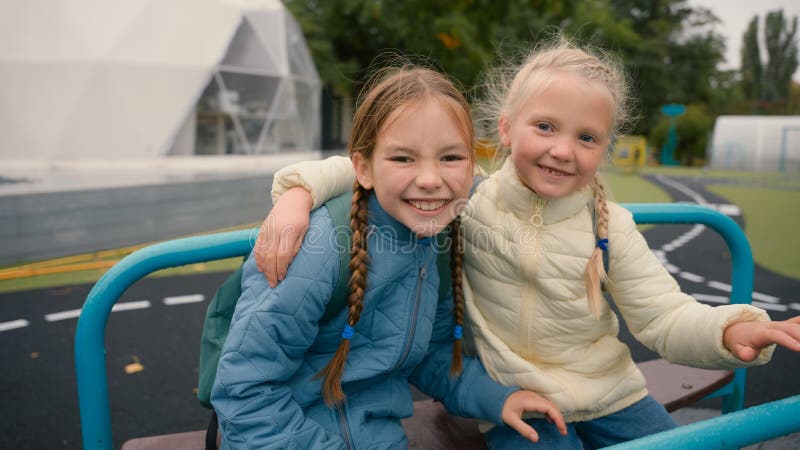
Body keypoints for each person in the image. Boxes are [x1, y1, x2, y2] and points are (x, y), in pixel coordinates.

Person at [254, 37, 800, 449]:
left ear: (605, 148)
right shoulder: (470, 200)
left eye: (586, 137)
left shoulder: (610, 226)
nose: (563, 150)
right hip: (519, 402)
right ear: (507, 128)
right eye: (545, 127)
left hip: (613, 394)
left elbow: (663, 316)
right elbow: (366, 164)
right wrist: (297, 194)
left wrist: (731, 329)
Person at [210, 65, 568, 449]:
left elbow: (432, 351)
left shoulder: (442, 239)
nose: (430, 179)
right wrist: (297, 192)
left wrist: (497, 398)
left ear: (471, 165)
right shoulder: (318, 249)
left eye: (450, 158)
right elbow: (244, 390)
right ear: (362, 168)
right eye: (403, 159)